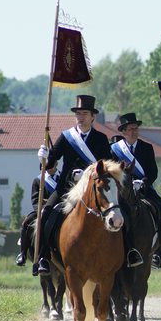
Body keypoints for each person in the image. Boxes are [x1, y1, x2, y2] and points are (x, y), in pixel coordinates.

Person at [34, 95, 115, 276]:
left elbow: (108, 165)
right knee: (45, 213)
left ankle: (127, 254)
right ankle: (44, 256)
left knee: (119, 212)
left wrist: (90, 174)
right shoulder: (66, 136)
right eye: (78, 113)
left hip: (92, 189)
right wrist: (44, 157)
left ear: (92, 116)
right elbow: (50, 163)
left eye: (84, 113)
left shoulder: (101, 139)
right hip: (66, 188)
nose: (81, 117)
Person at [112, 112, 161, 268]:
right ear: (123, 131)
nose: (134, 131)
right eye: (131, 129)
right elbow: (112, 172)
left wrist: (143, 182)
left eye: (136, 128)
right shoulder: (114, 150)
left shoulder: (147, 148)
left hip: (144, 189)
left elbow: (153, 171)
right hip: (123, 192)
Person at [14, 170, 56, 266]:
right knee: (27, 222)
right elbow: (35, 200)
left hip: (59, 209)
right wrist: (41, 208)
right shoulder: (38, 180)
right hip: (42, 210)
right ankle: (23, 253)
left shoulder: (61, 177)